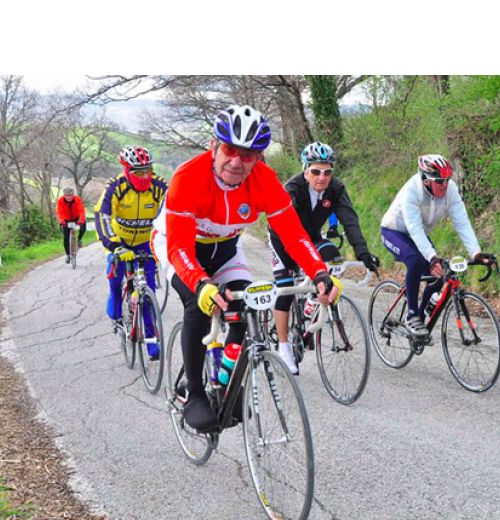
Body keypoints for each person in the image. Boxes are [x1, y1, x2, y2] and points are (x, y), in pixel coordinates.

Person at [161, 105, 341, 432]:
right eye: (230, 149)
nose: (237, 161)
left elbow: (293, 234)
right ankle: (196, 393)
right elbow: (179, 249)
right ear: (214, 146)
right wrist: (201, 285)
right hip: (182, 249)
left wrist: (318, 272)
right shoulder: (188, 178)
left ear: (258, 158)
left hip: (227, 249)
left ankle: (225, 380)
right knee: (198, 305)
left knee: (249, 307)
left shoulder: (263, 180)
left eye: (248, 155)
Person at [268, 141, 379, 373]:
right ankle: (283, 345)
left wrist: (363, 252)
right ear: (305, 170)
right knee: (286, 288)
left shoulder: (336, 189)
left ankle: (313, 301)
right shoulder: (292, 190)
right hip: (283, 237)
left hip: (310, 236)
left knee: (333, 257)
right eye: (316, 171)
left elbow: (350, 221)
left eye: (327, 172)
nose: (322, 177)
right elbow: (291, 233)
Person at [380, 154, 493, 339]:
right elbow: (414, 228)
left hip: (418, 235)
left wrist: (476, 252)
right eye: (439, 181)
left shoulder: (450, 190)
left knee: (444, 271)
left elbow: (462, 222)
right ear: (425, 180)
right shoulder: (412, 190)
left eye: (447, 180)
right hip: (394, 231)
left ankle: (422, 312)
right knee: (416, 261)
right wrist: (431, 256)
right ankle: (412, 316)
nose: (444, 185)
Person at [95, 145, 168, 360]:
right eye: (138, 172)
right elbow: (103, 216)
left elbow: (175, 212)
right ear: (127, 171)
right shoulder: (116, 187)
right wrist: (114, 245)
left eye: (148, 170)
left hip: (146, 243)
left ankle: (151, 338)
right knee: (116, 281)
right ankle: (116, 299)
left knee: (149, 293)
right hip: (120, 241)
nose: (145, 176)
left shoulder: (159, 187)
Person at [56, 187, 86, 263]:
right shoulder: (60, 201)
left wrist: (81, 220)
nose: (68, 197)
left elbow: (81, 211)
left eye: (70, 195)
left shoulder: (77, 199)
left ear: (73, 195)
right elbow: (59, 212)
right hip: (66, 219)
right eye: (66, 195)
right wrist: (61, 221)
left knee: (83, 227)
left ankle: (79, 239)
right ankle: (68, 255)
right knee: (65, 238)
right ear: (64, 195)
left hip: (76, 218)